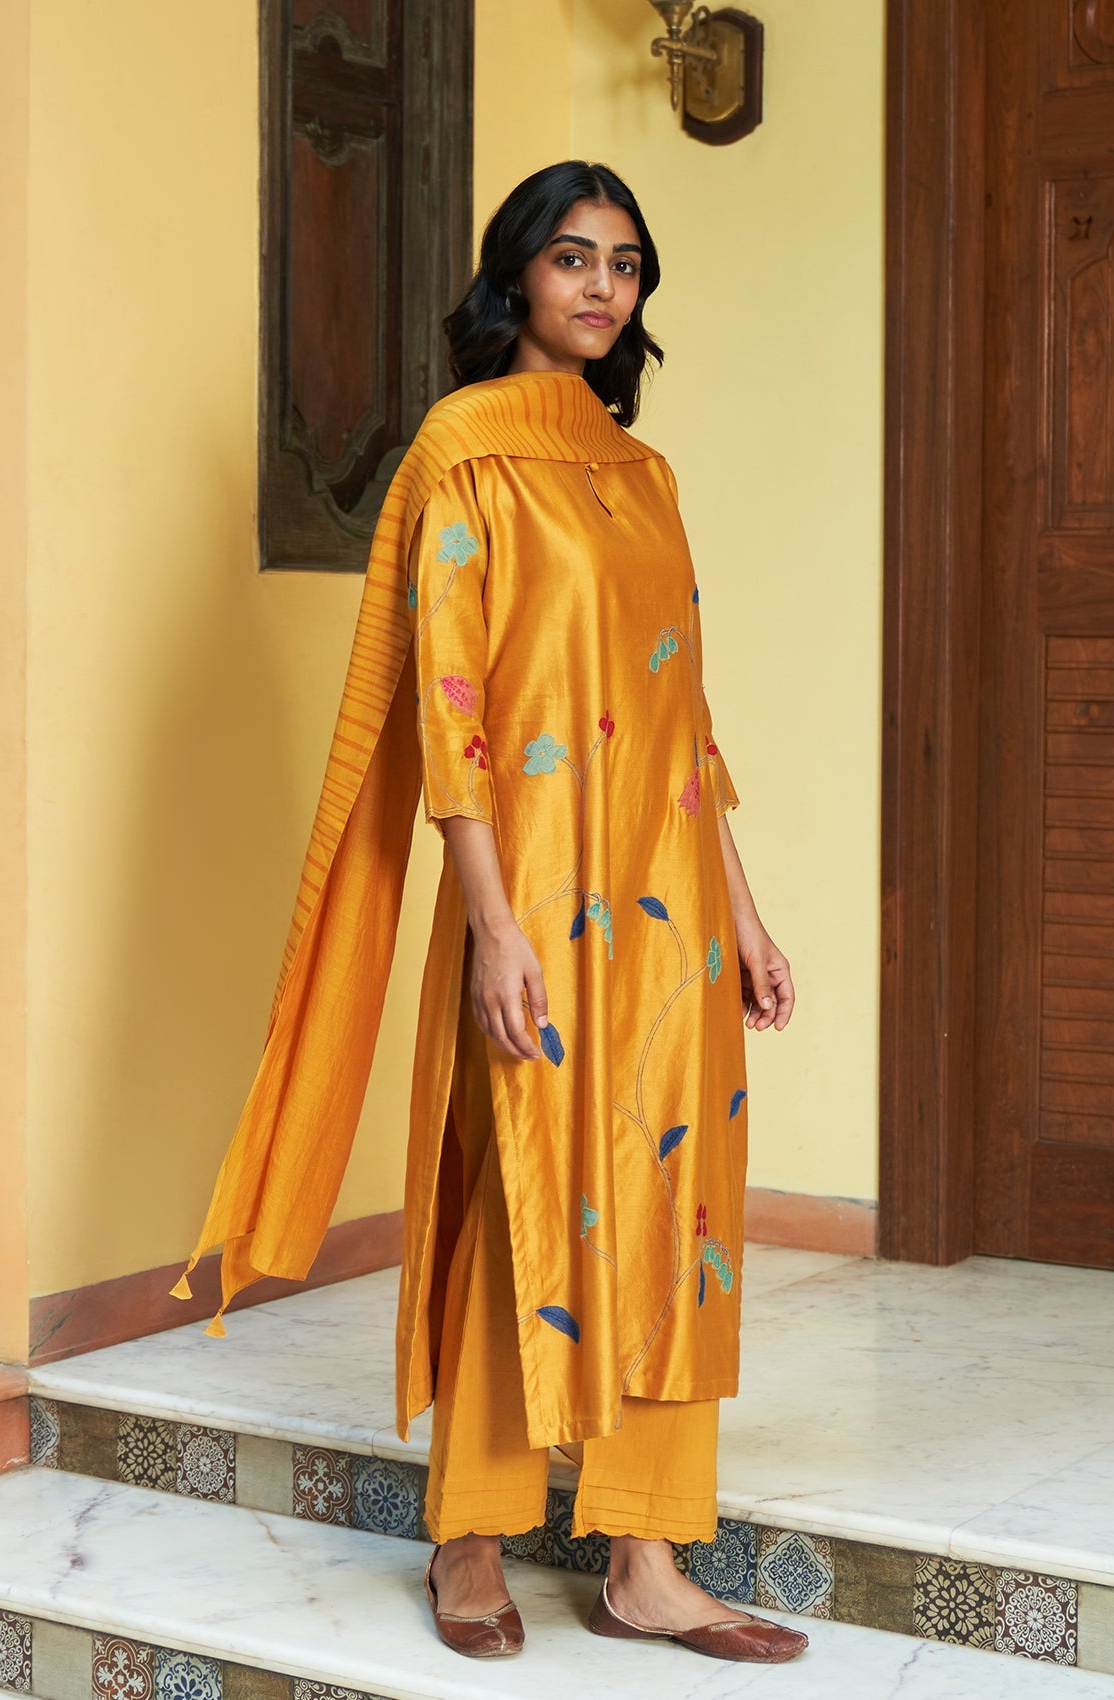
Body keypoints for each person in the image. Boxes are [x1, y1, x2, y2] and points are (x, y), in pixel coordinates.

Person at [171, 162, 802, 1668]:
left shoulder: (644, 477)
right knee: (516, 1189)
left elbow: (684, 715)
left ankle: (646, 1559)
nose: (601, 287)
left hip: (670, 913)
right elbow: (446, 706)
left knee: (673, 1207)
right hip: (530, 892)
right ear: (515, 274)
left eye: (625, 265)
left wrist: (748, 914)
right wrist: (493, 926)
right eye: (573, 258)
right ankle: (470, 1533)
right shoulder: (462, 454)